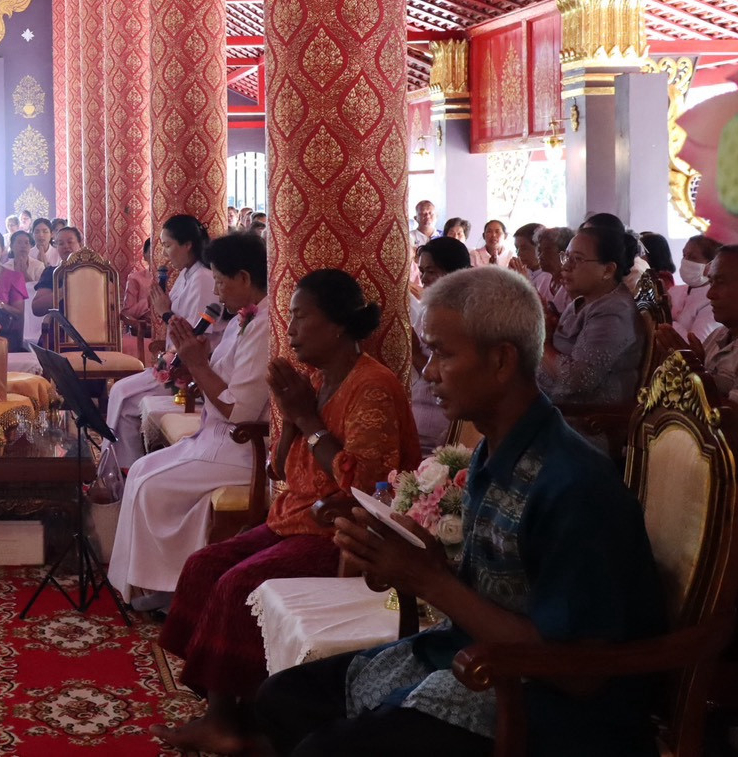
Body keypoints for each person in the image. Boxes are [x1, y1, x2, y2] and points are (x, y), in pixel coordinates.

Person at [256, 266, 666, 757]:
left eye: (443, 354)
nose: (428, 372)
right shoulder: (494, 453)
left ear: (500, 361)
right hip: (478, 656)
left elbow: (578, 672)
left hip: (550, 707)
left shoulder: (573, 485)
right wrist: (416, 558)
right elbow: (503, 589)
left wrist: (430, 579)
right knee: (281, 699)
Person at [152, 269, 417, 754]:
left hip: (337, 533)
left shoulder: (372, 386)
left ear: (337, 325)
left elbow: (362, 487)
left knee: (235, 585)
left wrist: (306, 419)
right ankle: (235, 710)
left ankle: (236, 721)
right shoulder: (315, 378)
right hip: (293, 518)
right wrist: (292, 414)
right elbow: (278, 466)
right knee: (203, 565)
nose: (289, 328)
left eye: (300, 317)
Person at [108, 233, 272, 611]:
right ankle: (151, 583)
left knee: (152, 484)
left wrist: (196, 362)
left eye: (220, 280)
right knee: (142, 470)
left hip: (239, 448)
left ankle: (172, 591)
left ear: (244, 279)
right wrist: (191, 368)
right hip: (213, 436)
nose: (216, 289)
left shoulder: (261, 326)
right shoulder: (242, 320)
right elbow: (220, 375)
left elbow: (241, 411)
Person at [107, 215, 218, 468]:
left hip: (189, 367)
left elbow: (193, 334)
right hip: (173, 357)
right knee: (120, 394)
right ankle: (118, 466)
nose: (165, 253)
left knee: (122, 395)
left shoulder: (203, 278)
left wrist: (165, 311)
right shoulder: (187, 275)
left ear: (187, 244)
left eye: (168, 245)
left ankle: (125, 468)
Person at [538, 225, 644, 405]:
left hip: (584, 422)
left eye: (577, 259)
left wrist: (542, 342)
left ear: (608, 270)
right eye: (567, 257)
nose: (566, 266)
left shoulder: (614, 312)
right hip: (550, 404)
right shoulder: (585, 300)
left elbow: (577, 380)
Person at [659, 243, 738, 405]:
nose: (710, 294)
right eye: (711, 282)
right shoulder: (719, 334)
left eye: (721, 282)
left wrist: (693, 370)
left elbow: (732, 424)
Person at [410, 236, 472, 447]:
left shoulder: (462, 313)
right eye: (422, 271)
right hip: (420, 415)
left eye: (432, 271)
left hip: (441, 425)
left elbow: (448, 375)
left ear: (456, 273)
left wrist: (415, 354)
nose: (424, 278)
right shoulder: (430, 308)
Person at [669, 233, 722, 342]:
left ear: (711, 264)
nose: (685, 261)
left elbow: (696, 344)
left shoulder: (712, 300)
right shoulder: (675, 291)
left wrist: (666, 321)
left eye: (693, 257)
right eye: (684, 255)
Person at [29, 225, 84, 318]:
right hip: (60, 328)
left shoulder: (94, 272)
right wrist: (63, 291)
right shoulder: (52, 273)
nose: (66, 246)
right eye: (61, 244)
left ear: (80, 245)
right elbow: (36, 308)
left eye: (70, 242)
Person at [530, 225, 573, 314]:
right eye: (539, 251)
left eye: (548, 250)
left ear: (564, 253)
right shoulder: (542, 279)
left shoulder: (573, 286)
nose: (540, 256)